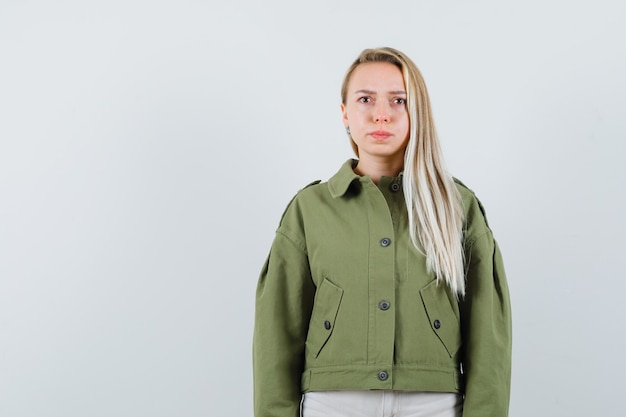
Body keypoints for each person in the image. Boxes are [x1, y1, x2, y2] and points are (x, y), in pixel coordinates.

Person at [253, 47, 512, 417]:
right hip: (333, 401)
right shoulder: (309, 210)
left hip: (434, 403)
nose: (381, 114)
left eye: (398, 100)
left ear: (416, 112)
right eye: (365, 99)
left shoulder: (458, 206)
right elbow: (276, 334)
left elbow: (490, 335)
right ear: (345, 113)